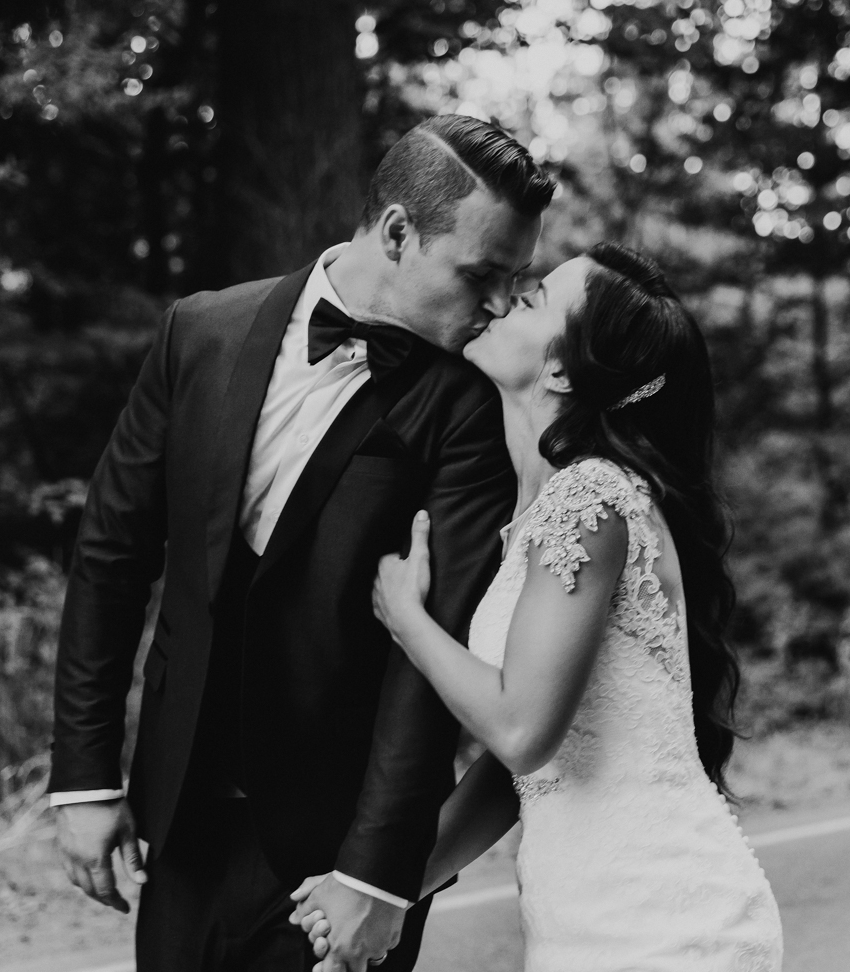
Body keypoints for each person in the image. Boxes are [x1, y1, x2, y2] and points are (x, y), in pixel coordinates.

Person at [46, 114, 554, 972]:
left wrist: (378, 872)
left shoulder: (470, 406)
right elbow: (111, 556)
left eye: (515, 280)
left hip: (336, 852)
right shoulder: (199, 331)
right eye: (481, 274)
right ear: (397, 231)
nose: (500, 304)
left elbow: (429, 658)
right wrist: (85, 777)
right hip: (182, 820)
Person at [294, 243, 783, 971]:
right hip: (579, 921)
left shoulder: (591, 499)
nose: (500, 301)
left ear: (561, 369)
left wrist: (407, 619)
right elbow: (519, 769)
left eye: (530, 300)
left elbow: (521, 732)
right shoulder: (540, 510)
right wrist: (382, 887)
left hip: (661, 920)